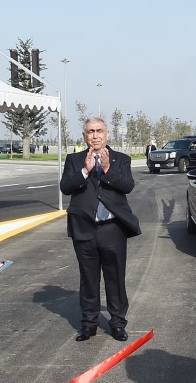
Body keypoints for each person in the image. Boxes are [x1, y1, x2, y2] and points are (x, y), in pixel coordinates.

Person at [60, 117, 141, 342]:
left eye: (99, 131)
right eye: (90, 132)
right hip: (84, 229)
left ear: (107, 134)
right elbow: (65, 187)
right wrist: (85, 171)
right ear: (84, 135)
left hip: (112, 229)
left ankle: (117, 324)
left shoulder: (121, 160)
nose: (95, 135)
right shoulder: (74, 160)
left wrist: (107, 169)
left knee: (115, 278)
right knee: (88, 278)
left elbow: (127, 185)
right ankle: (88, 325)